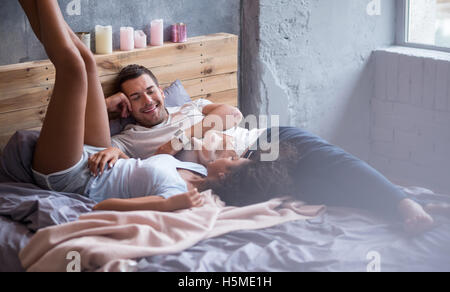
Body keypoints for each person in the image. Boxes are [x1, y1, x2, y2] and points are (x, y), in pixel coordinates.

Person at [19, 0, 250, 213]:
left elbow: (102, 208)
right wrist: (119, 153)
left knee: (73, 67)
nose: (231, 153)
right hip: (101, 156)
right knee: (87, 61)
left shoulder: (181, 194)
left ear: (223, 175)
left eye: (232, 159)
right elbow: (139, 173)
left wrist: (170, 204)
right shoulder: (196, 168)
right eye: (137, 96)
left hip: (78, 178)